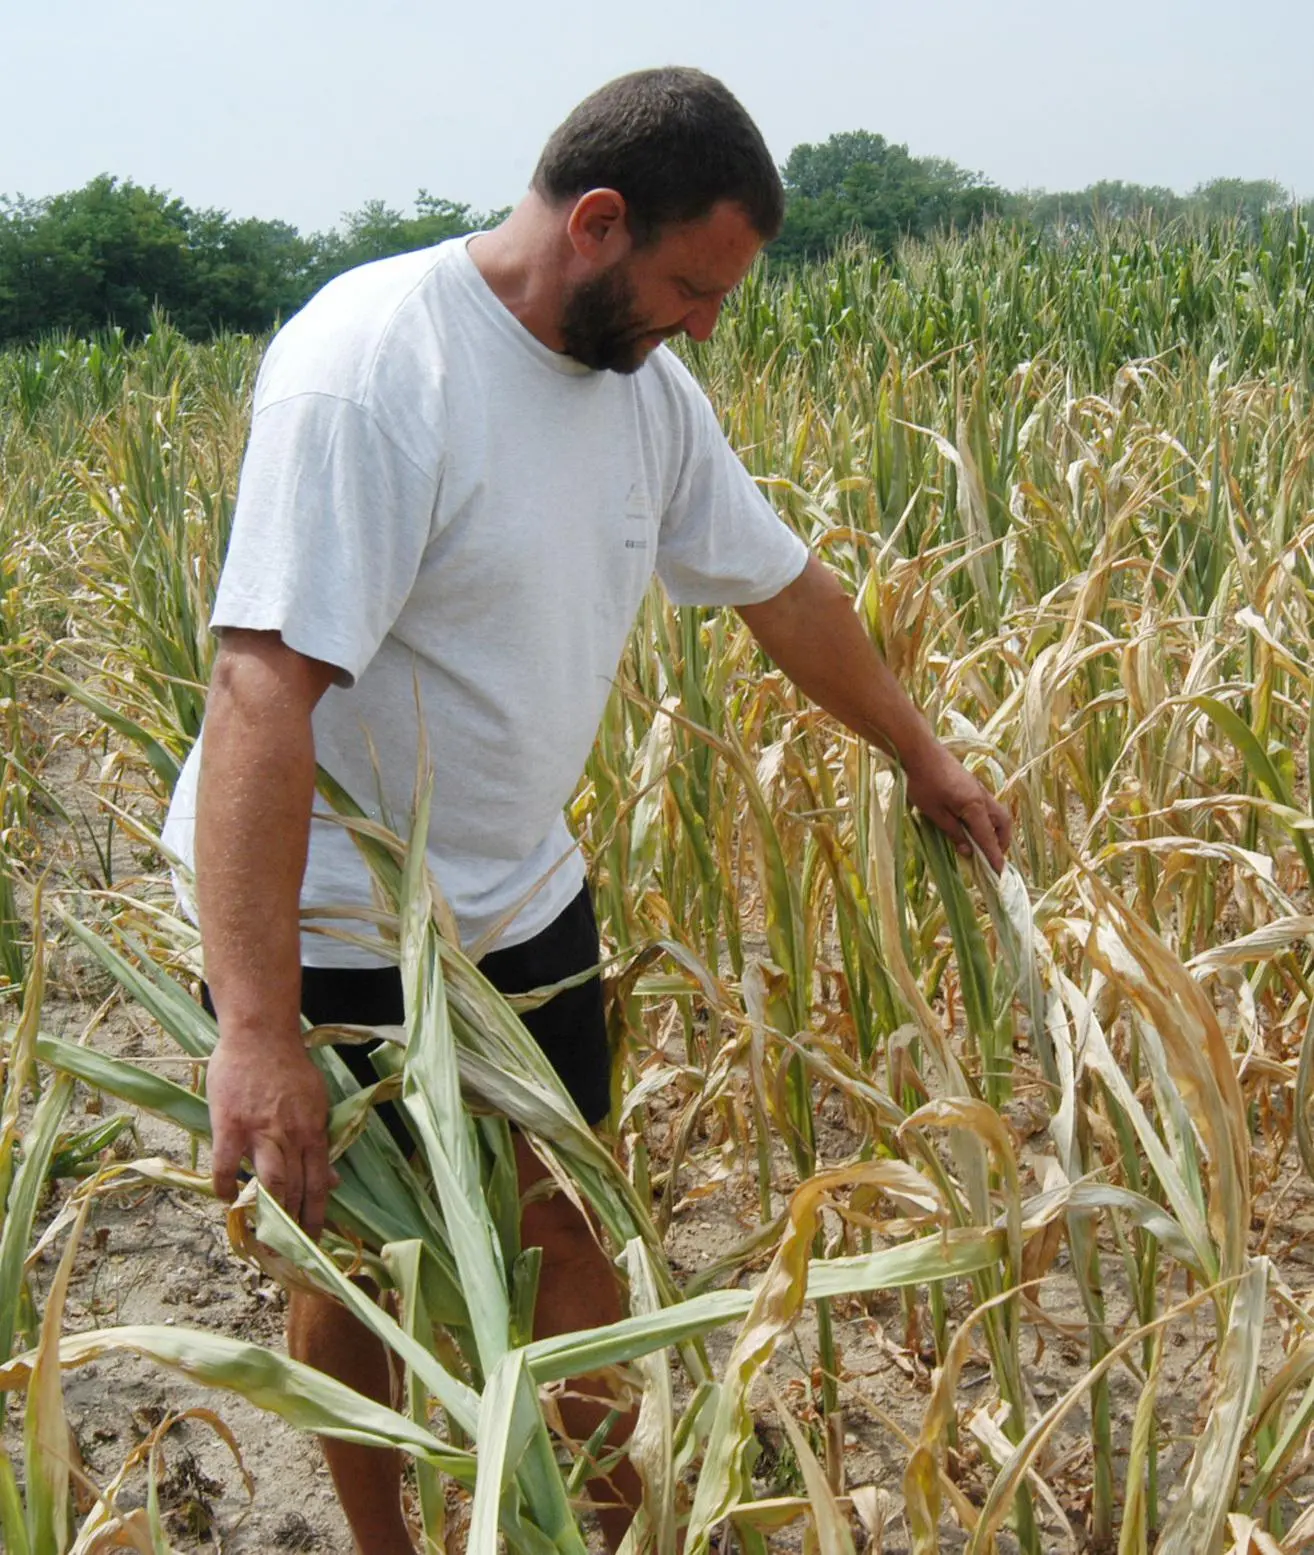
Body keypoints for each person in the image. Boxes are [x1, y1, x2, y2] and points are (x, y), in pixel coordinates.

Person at [163, 65, 1010, 1554]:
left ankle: (609, 1537)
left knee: (563, 1228)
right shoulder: (374, 370)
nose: (704, 324)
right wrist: (257, 1024)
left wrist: (920, 753)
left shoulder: (644, 397)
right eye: (692, 286)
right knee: (365, 1260)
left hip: (518, 898)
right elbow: (258, 694)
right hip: (336, 921)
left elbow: (782, 589)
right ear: (600, 222)